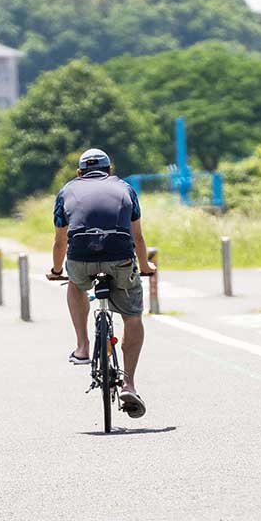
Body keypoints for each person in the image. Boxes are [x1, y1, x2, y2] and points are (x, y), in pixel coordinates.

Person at [46, 148, 156, 418]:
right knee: (132, 317)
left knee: (74, 284)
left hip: (81, 257)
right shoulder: (125, 189)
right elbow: (138, 238)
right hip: (120, 258)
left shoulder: (66, 191)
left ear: (79, 172)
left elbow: (61, 241)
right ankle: (128, 384)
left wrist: (57, 269)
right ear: (110, 170)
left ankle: (83, 346)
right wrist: (145, 266)